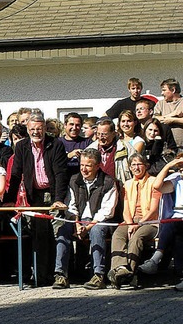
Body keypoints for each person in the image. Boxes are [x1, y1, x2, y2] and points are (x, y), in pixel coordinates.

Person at [9, 113, 69, 286]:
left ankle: (59, 274)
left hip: (52, 193)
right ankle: (41, 277)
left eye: (39, 129)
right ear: (27, 130)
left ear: (44, 129)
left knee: (58, 233)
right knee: (39, 235)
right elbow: (15, 173)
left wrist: (58, 198)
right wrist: (9, 199)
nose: (36, 132)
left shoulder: (56, 144)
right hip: (33, 195)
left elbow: (60, 174)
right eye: (33, 129)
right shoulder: (21, 146)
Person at [52, 148, 118, 290]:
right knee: (63, 230)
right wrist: (76, 224)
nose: (84, 169)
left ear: (97, 166)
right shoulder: (74, 180)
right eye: (82, 165)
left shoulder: (108, 182)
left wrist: (87, 227)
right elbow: (71, 205)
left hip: (98, 220)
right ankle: (60, 274)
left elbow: (107, 211)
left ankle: (98, 275)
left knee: (97, 231)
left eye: (88, 165)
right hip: (78, 219)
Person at [108, 153, 161, 288]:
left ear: (146, 166)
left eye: (139, 164)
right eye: (133, 165)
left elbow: (153, 210)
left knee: (136, 237)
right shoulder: (127, 184)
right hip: (130, 220)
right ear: (129, 167)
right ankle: (120, 268)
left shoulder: (154, 182)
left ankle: (130, 273)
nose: (136, 167)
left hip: (149, 222)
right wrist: (130, 223)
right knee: (118, 234)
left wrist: (138, 224)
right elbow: (126, 209)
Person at [138, 155, 183, 290]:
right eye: (180, 168)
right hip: (177, 218)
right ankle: (181, 275)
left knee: (173, 226)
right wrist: (169, 166)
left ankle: (156, 258)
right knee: (177, 239)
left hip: (178, 221)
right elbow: (157, 186)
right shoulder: (177, 180)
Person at [58, 112, 90, 178]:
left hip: (80, 182)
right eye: (71, 124)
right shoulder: (57, 143)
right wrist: (69, 156)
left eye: (77, 125)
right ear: (65, 125)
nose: (74, 128)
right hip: (62, 181)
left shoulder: (87, 143)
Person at [154, 78, 183, 150]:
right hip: (165, 148)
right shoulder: (160, 104)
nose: (162, 93)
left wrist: (173, 120)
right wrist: (173, 114)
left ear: (173, 90)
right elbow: (154, 119)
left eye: (164, 90)